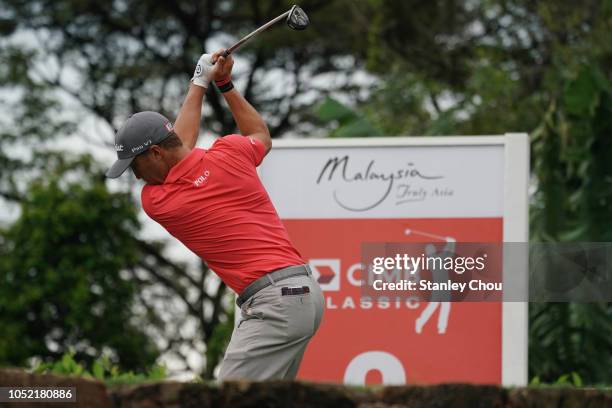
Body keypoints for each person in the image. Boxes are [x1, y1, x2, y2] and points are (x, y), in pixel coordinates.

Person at [105, 49, 324, 380]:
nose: (135, 176)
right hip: (304, 293)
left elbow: (182, 144)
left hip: (274, 305)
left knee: (228, 400)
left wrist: (200, 83)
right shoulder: (231, 152)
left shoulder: (159, 200)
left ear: (154, 153)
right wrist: (222, 83)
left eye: (134, 166)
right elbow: (260, 136)